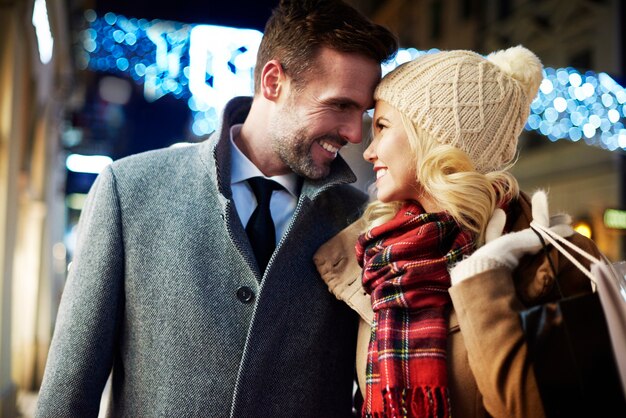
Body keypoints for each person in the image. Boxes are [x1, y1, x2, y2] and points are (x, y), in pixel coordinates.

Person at [35, 1, 398, 417]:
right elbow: (68, 395)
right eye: (340, 106)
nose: (355, 133)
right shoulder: (129, 191)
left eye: (363, 113)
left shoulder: (361, 221)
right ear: (274, 81)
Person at [314, 45, 602, 418]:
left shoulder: (558, 260)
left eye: (382, 127)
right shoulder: (378, 257)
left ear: (436, 137)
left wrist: (484, 278)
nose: (369, 151)